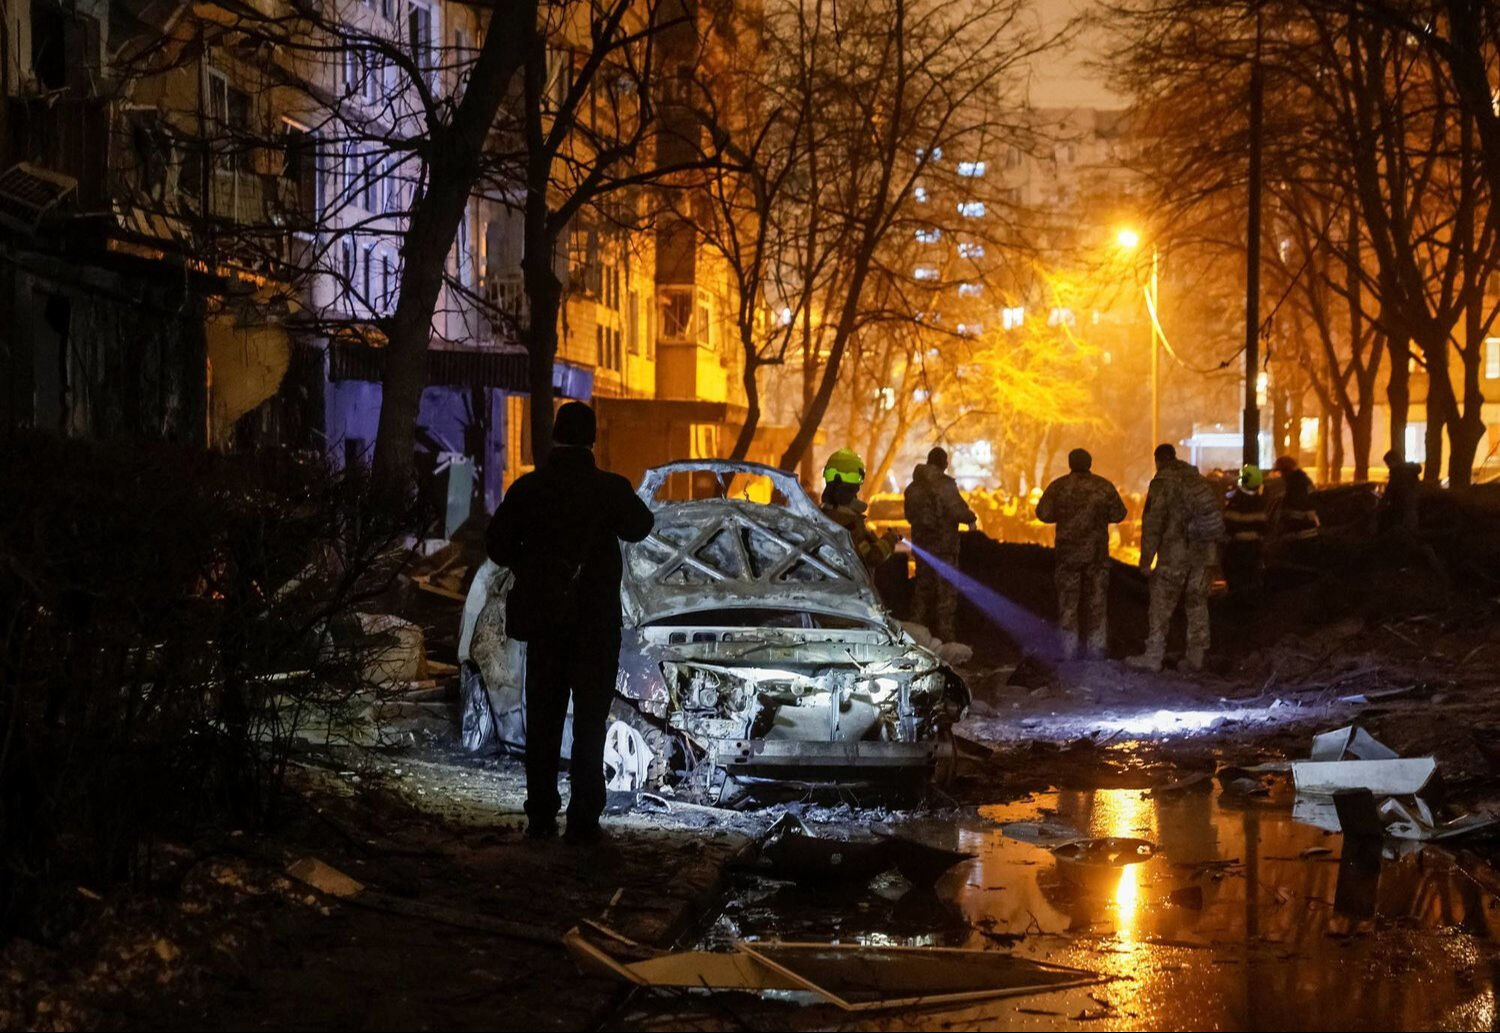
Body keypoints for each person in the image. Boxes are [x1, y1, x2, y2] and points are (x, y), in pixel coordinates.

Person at [484, 402, 655, 844]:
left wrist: (535, 565)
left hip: (546, 624)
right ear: (592, 440)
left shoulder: (530, 489)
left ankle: (540, 816)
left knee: (543, 722)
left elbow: (498, 546)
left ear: (556, 436)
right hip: (596, 627)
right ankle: (583, 820)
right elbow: (642, 525)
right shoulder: (608, 489)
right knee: (589, 723)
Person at [1128, 443, 1216, 672]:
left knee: (1161, 604)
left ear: (1158, 460)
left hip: (1175, 554)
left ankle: (1154, 656)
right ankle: (1196, 658)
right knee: (1197, 603)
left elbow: (1153, 523)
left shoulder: (1162, 482)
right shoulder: (1197, 479)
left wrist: (1146, 560)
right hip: (1204, 553)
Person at [1035, 448, 1126, 660]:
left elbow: (1043, 514)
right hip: (1097, 555)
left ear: (1070, 463)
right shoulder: (1103, 487)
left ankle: (1068, 650)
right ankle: (1096, 649)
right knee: (1097, 603)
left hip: (1068, 556)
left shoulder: (1059, 487)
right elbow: (1119, 514)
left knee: (1068, 603)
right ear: (1090, 463)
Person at [904, 446, 978, 640]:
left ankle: (915, 636)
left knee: (922, 590)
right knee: (946, 594)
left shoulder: (913, 488)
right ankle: (945, 637)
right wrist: (971, 518)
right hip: (945, 548)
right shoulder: (945, 485)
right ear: (944, 463)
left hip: (922, 547)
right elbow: (958, 511)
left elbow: (909, 515)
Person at [821, 448, 900, 572]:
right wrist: (889, 540)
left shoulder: (821, 513)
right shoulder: (848, 522)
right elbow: (871, 557)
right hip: (849, 589)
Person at [1222, 464, 1269, 598]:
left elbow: (1227, 528)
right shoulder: (1261, 503)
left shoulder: (1235, 502)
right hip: (1254, 552)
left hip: (1236, 552)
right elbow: (1264, 528)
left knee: (1236, 589)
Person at [1270, 455, 1320, 556]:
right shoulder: (1302, 481)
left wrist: (1283, 525)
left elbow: (1295, 512)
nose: (1281, 476)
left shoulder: (1296, 486)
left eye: (1282, 472)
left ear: (1287, 470)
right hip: (1307, 533)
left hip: (1300, 536)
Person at [1379, 449, 1422, 534]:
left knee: (1402, 534)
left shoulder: (1397, 474)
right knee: (1411, 532)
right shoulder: (1410, 471)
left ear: (1394, 461)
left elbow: (1389, 493)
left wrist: (1381, 505)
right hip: (1412, 507)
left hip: (1401, 510)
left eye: (1388, 463)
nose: (1388, 466)